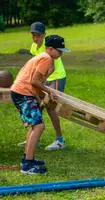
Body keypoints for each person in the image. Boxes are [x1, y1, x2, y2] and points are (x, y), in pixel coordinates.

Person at [11, 35, 70, 174]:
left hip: (24, 93)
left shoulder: (47, 59)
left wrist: (41, 97)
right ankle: (27, 166)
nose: (61, 54)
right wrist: (50, 91)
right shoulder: (46, 58)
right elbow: (34, 81)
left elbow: (37, 83)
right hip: (23, 93)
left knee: (35, 126)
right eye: (59, 51)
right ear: (50, 48)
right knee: (38, 126)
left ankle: (27, 159)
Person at [18, 22, 68, 151]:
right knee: (37, 106)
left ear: (44, 35)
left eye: (38, 35)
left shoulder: (49, 47)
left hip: (56, 77)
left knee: (51, 107)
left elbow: (51, 68)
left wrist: (40, 81)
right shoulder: (34, 47)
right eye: (33, 35)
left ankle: (60, 140)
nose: (36, 38)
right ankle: (35, 138)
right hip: (44, 79)